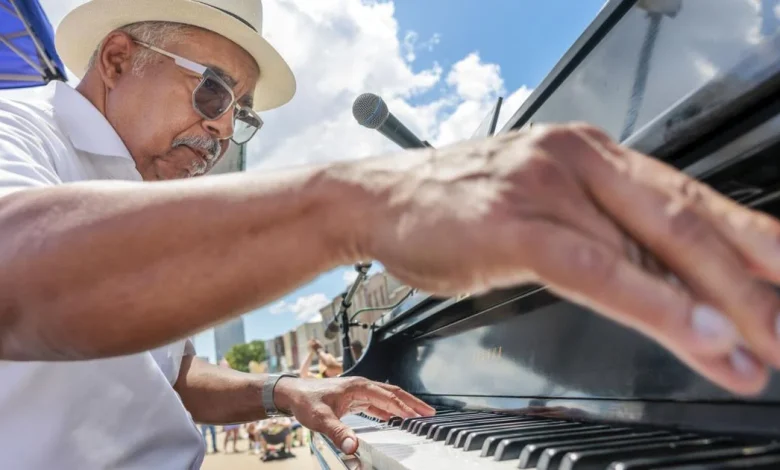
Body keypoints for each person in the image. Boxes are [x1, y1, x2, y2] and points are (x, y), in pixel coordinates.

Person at [0, 0, 779, 467]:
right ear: (117, 56)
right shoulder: (19, 126)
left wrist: (283, 389)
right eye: (212, 90)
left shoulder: (145, 196)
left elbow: (164, 381)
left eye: (240, 109)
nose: (223, 127)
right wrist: (357, 205)